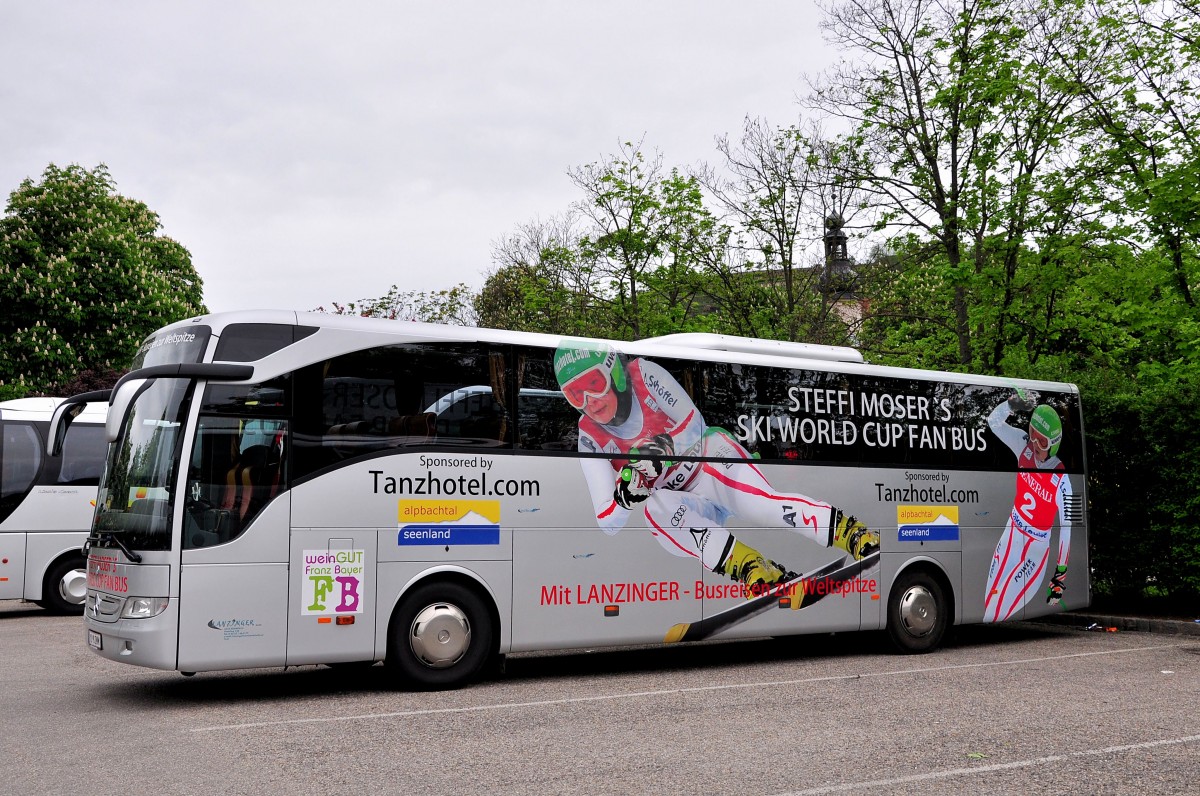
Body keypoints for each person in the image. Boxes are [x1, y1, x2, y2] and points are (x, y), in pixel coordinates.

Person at [553, 340, 878, 600]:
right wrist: (625, 496)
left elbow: (694, 424)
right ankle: (751, 567)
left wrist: (663, 449)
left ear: (615, 374)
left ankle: (851, 533)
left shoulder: (644, 374)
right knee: (656, 510)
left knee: (763, 507)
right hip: (684, 502)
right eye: (575, 394)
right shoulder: (590, 436)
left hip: (709, 463)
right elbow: (607, 520)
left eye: (594, 383)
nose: (590, 400)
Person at [983, 392, 1072, 622]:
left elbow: (1067, 527)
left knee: (999, 609)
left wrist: (1059, 576)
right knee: (988, 603)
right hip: (1012, 531)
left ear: (1053, 444)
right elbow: (993, 423)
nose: (1035, 443)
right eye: (1033, 434)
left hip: (1036, 547)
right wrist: (1011, 405)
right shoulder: (1024, 445)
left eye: (1042, 441)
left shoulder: (1061, 477)